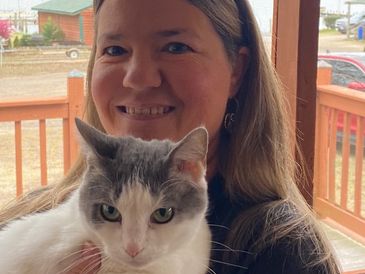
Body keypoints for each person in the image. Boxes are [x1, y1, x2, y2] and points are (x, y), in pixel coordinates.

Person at [0, 0, 341, 273]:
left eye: (175, 47)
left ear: (236, 70)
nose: (138, 78)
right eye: (115, 50)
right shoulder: (37, 211)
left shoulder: (282, 250)